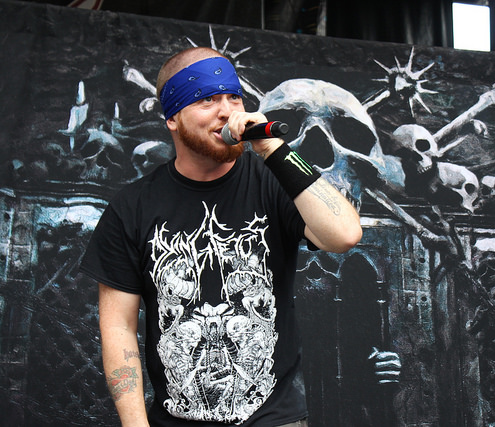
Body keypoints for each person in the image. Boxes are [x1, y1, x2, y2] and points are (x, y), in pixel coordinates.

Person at [80, 46, 362, 426]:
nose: (227, 110)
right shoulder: (131, 208)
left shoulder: (275, 182)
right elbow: (118, 327)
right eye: (207, 100)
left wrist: (272, 148)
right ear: (173, 118)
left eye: (233, 97)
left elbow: (344, 234)